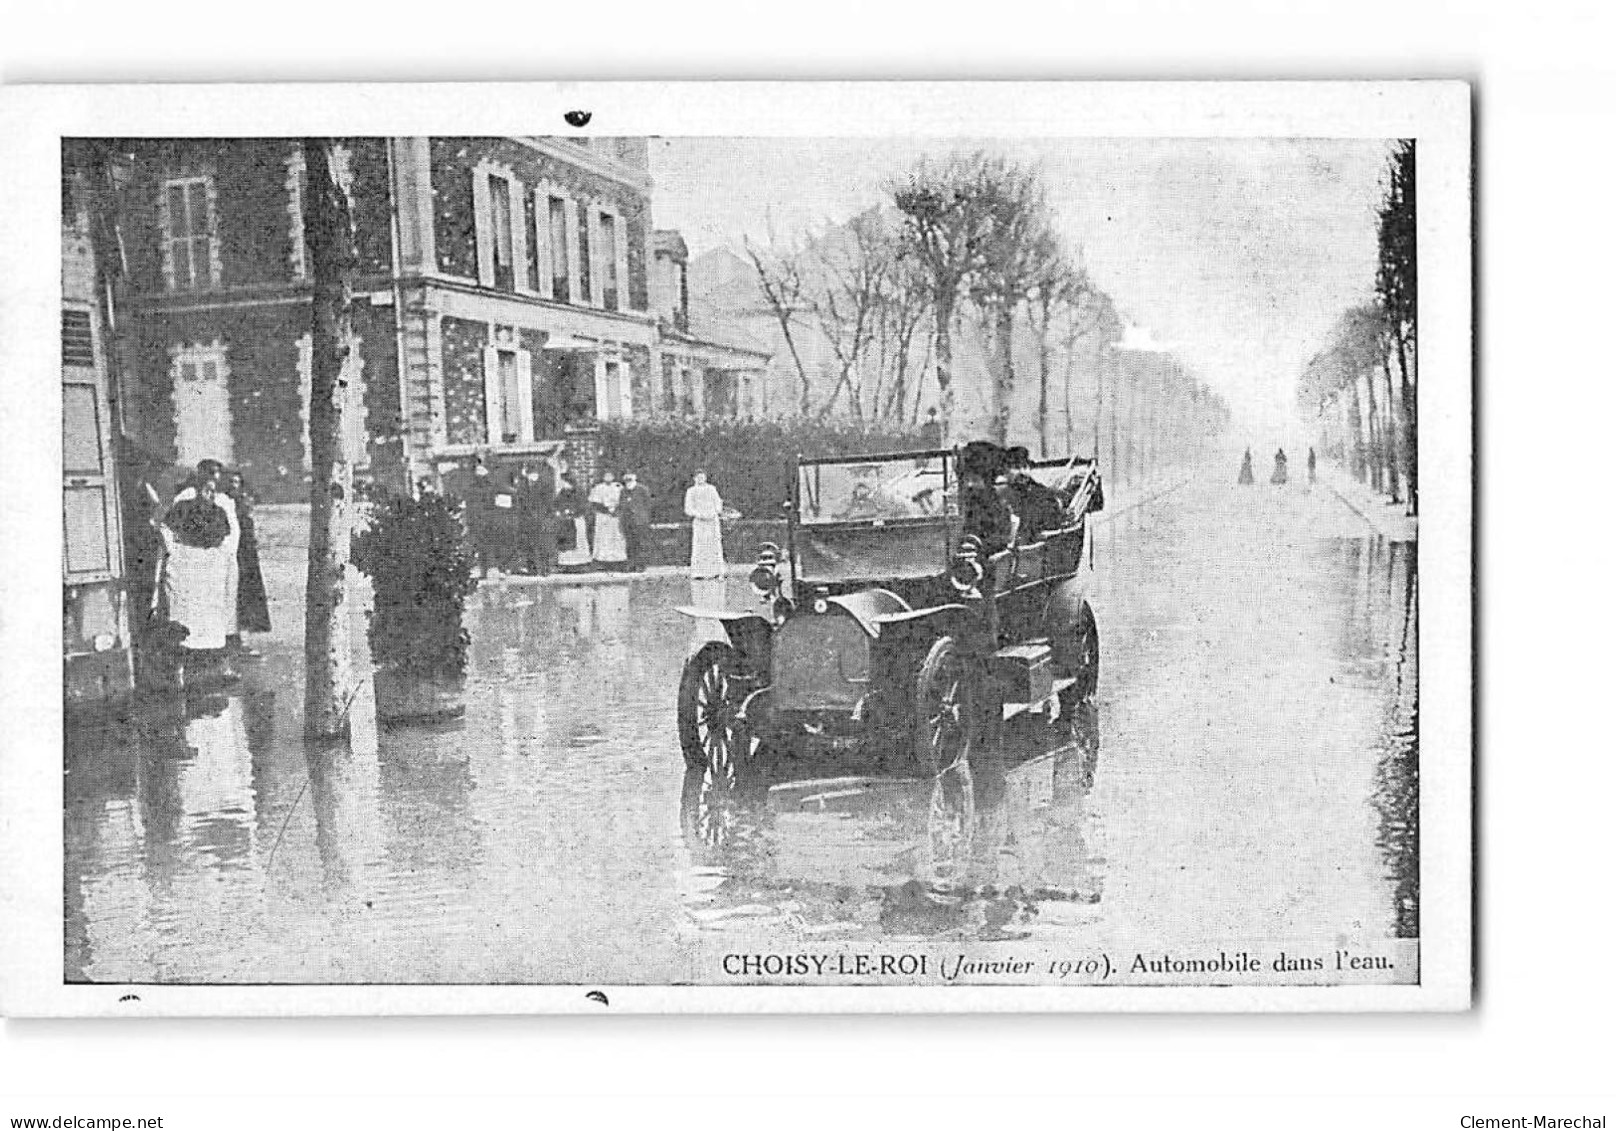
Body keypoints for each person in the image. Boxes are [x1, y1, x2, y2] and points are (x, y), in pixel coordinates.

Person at [158, 473, 240, 682]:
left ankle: (211, 664)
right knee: (186, 614)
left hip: (210, 568)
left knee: (211, 615)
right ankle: (183, 662)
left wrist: (219, 555)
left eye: (213, 491)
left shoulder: (220, 511)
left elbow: (227, 537)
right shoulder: (183, 507)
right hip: (186, 566)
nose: (209, 494)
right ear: (197, 489)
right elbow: (165, 528)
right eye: (205, 490)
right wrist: (174, 551)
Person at [222, 470, 271, 652]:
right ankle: (232, 639)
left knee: (246, 598)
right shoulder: (224, 504)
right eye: (231, 482)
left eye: (237, 482)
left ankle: (243, 640)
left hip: (246, 558)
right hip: (231, 555)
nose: (234, 485)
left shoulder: (243, 505)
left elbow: (250, 534)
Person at [515, 460, 557, 576]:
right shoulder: (523, 487)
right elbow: (520, 504)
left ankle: (545, 569)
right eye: (531, 474)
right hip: (527, 521)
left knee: (543, 545)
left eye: (535, 474)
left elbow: (549, 504)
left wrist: (545, 517)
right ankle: (532, 569)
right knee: (529, 545)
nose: (533, 477)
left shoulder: (544, 486)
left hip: (541, 520)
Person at [684, 469, 727, 579]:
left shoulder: (712, 489)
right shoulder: (691, 491)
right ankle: (699, 572)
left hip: (712, 521)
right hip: (700, 523)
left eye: (702, 477)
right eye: (698, 477)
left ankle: (717, 571)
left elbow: (718, 503)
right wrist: (699, 514)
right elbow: (688, 508)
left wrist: (714, 512)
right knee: (700, 546)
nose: (700, 479)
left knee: (714, 546)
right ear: (694, 478)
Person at [464, 457, 501, 577]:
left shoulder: (490, 487)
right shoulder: (472, 488)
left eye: (482, 470)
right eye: (478, 470)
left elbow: (496, 504)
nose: (480, 473)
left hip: (487, 520)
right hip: (478, 521)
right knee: (480, 545)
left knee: (488, 545)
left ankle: (490, 568)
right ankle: (483, 568)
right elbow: (469, 505)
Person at [555, 463, 591, 569]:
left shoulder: (579, 492)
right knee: (566, 542)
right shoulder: (562, 493)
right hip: (565, 521)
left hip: (577, 520)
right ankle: (566, 564)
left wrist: (573, 512)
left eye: (564, 482)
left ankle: (580, 563)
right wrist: (561, 511)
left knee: (579, 541)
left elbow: (584, 506)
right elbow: (557, 504)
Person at [589, 470, 628, 569]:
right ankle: (602, 561)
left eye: (610, 475)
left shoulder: (618, 487)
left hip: (615, 516)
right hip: (603, 516)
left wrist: (616, 510)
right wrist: (606, 510)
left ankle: (618, 561)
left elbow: (624, 501)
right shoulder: (598, 488)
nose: (608, 477)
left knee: (616, 537)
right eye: (606, 475)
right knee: (603, 538)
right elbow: (594, 503)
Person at [620, 471, 653, 572]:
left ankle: (641, 565)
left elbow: (648, 504)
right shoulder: (623, 491)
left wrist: (643, 516)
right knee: (630, 544)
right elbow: (622, 505)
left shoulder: (642, 489)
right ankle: (631, 564)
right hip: (628, 521)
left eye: (630, 479)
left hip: (640, 521)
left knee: (641, 543)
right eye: (626, 480)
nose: (628, 482)